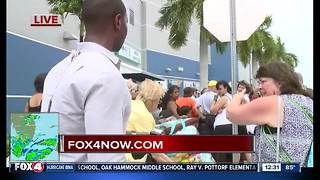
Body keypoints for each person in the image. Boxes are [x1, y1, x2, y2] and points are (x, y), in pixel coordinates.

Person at [41, 0, 131, 162]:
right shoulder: (106, 75)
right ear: (118, 21)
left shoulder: (57, 70)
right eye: (126, 21)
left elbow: (36, 148)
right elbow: (107, 163)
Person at [227, 62, 313, 167]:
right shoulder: (308, 102)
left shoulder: (274, 102)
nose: (259, 87)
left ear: (280, 82)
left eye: (263, 82)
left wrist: (237, 97)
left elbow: (231, 114)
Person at [126, 79, 173, 163]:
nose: (158, 104)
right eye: (158, 101)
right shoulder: (145, 115)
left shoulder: (130, 104)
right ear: (152, 101)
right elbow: (156, 153)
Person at [210, 80, 233, 163]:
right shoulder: (231, 97)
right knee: (229, 151)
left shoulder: (224, 98)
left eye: (220, 89)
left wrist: (214, 99)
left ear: (226, 88)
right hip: (230, 125)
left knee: (220, 152)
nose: (218, 91)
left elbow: (212, 110)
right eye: (217, 89)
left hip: (222, 126)